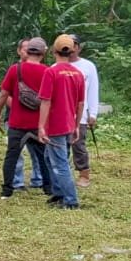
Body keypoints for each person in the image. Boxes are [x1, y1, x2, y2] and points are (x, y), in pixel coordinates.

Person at [0, 38, 53, 198]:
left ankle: (7, 190)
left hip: (17, 122)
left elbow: (4, 94)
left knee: (11, 156)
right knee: (43, 157)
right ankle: (48, 188)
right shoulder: (47, 71)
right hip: (37, 124)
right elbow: (49, 100)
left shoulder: (15, 69)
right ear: (43, 53)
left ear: (27, 51)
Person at [37, 35, 87, 209]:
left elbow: (46, 101)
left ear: (53, 51)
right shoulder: (78, 74)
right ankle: (58, 192)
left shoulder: (51, 72)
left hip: (55, 125)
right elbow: (81, 103)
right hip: (68, 123)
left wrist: (41, 126)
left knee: (60, 163)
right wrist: (76, 125)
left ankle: (71, 200)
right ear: (72, 51)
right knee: (49, 158)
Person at [66, 35, 100, 187]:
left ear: (78, 47)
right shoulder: (56, 67)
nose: (71, 49)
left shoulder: (88, 66)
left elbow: (93, 90)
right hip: (62, 112)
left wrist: (93, 113)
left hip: (81, 112)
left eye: (74, 45)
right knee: (61, 145)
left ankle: (84, 173)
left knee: (78, 144)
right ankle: (64, 173)